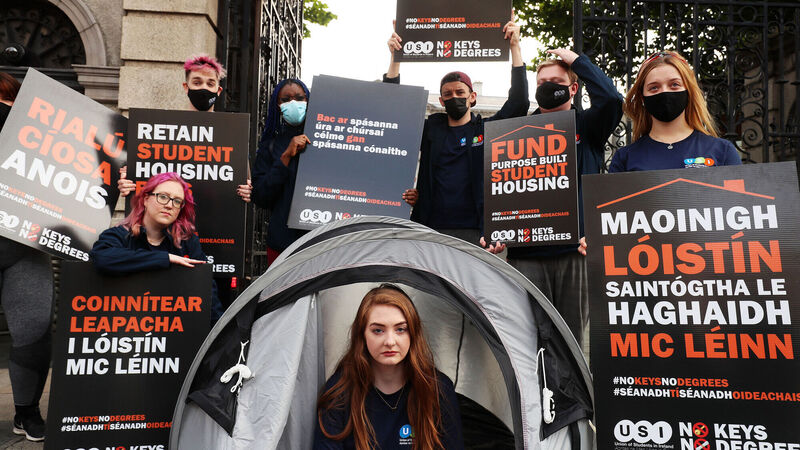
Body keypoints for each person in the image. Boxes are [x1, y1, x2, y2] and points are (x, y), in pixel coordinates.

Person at [494, 48, 623, 346]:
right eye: (542, 82)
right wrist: (497, 230)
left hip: (573, 254)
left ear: (573, 89)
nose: (548, 87)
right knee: (526, 341)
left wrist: (577, 61)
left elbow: (612, 99)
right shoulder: (515, 131)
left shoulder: (588, 126)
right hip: (526, 255)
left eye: (557, 81)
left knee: (569, 342)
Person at [117, 55, 252, 309]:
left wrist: (246, 191)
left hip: (218, 244)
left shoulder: (233, 135)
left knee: (213, 310)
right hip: (164, 243)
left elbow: (245, 182)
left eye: (210, 83)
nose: (204, 88)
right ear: (185, 86)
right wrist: (128, 186)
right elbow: (144, 180)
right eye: (197, 82)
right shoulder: (161, 130)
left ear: (219, 90)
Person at [385, 12, 529, 245]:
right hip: (429, 229)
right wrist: (395, 58)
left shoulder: (485, 130)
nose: (454, 97)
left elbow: (519, 103)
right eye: (448, 94)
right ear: (441, 101)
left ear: (472, 97)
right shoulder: (431, 130)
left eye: (460, 92)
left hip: (474, 231)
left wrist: (515, 46)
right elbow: (394, 112)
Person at [314, 284, 463, 449]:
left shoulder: (438, 389)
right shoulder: (339, 391)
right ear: (362, 335)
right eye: (378, 330)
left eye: (400, 329)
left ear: (413, 333)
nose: (390, 342)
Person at [91, 172, 223, 319]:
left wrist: (222, 329)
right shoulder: (120, 235)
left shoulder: (188, 242)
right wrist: (165, 258)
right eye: (163, 197)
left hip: (174, 326)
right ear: (146, 199)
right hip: (126, 324)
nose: (169, 205)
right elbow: (102, 258)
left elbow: (206, 290)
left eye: (177, 201)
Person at [0, 71, 51, 442]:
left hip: (25, 248)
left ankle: (27, 411)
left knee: (34, 332)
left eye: (8, 104)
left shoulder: (40, 142)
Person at [608, 50, 741, 172]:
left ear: (689, 91)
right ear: (642, 97)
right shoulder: (624, 159)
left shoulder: (723, 151)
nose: (664, 92)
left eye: (674, 85)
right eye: (654, 87)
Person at [250, 78, 311, 265]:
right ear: (278, 105)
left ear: (308, 100)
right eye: (286, 99)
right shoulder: (270, 146)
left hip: (320, 241)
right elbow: (260, 196)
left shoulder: (326, 140)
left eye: (299, 98)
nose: (293, 103)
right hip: (283, 245)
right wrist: (285, 157)